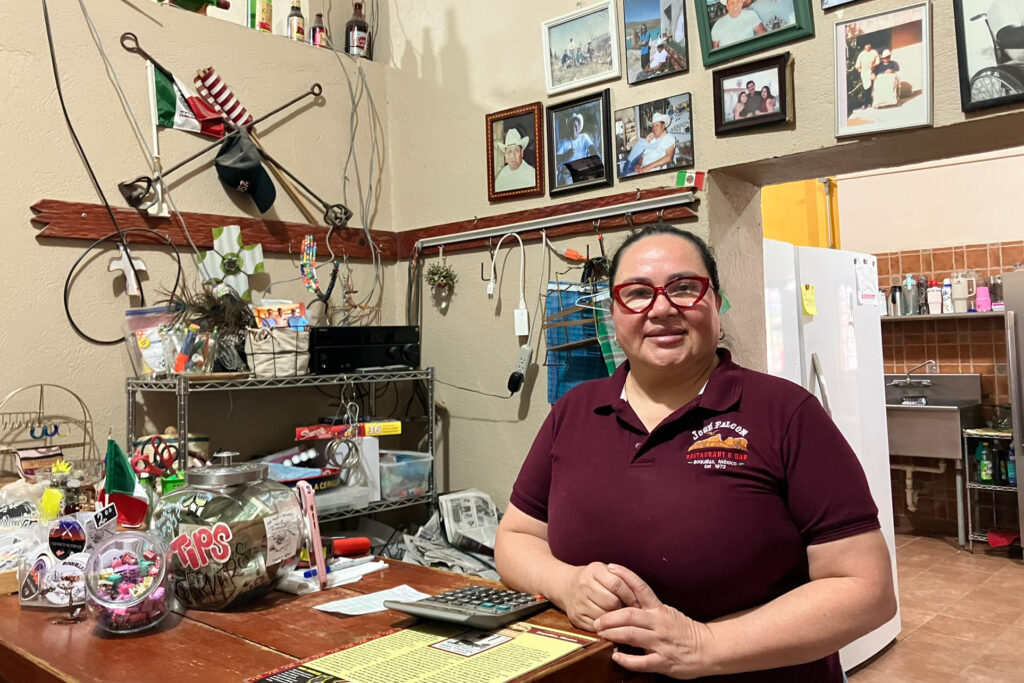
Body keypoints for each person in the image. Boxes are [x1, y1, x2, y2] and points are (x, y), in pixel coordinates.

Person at [495, 225, 897, 681]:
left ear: (718, 306)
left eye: (685, 288)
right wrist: (564, 584)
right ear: (613, 313)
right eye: (637, 292)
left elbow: (867, 589)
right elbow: (515, 539)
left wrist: (705, 646)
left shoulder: (785, 413)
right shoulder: (574, 410)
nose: (662, 308)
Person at [556, 112, 597, 184]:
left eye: (575, 126)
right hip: (568, 172)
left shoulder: (584, 137)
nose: (573, 128)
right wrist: (566, 155)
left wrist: (595, 159)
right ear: (569, 128)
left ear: (579, 128)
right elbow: (555, 159)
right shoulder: (563, 142)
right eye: (571, 126)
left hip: (583, 169)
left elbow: (592, 148)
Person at [494, 128, 536, 192]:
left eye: (516, 150)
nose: (513, 156)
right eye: (509, 151)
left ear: (521, 153)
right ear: (505, 156)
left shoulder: (531, 174)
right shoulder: (503, 173)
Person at [854, 42, 880, 110]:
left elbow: (878, 62)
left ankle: (870, 103)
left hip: (872, 71)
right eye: (866, 45)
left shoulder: (874, 52)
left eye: (869, 45)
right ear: (864, 46)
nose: (868, 46)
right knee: (866, 88)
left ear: (870, 45)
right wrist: (859, 68)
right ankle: (864, 103)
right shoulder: (862, 54)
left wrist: (873, 66)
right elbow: (857, 64)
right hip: (864, 72)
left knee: (871, 88)